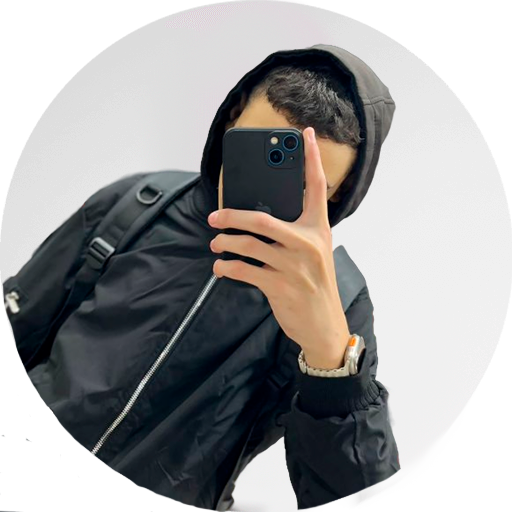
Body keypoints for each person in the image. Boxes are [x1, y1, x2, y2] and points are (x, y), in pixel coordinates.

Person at [5, 44, 400, 511]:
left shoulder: (339, 303)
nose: (269, 198)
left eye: (308, 186)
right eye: (257, 154)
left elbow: (355, 500)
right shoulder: (138, 203)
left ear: (341, 192)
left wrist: (331, 357)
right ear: (232, 117)